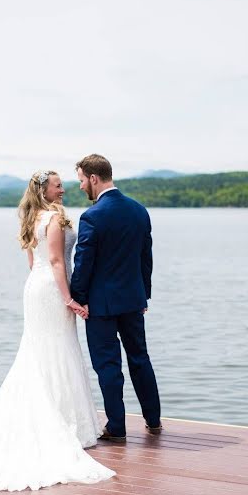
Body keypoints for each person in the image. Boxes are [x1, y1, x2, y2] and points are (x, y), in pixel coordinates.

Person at [0, 170, 115, 491]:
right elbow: (59, 262)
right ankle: (63, 424)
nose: (63, 189)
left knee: (39, 351)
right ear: (44, 190)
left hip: (35, 287)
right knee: (58, 350)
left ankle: (53, 416)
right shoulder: (55, 220)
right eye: (58, 186)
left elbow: (36, 264)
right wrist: (70, 299)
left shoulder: (31, 219)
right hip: (53, 289)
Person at [70, 154, 162, 442]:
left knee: (108, 365)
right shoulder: (139, 210)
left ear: (94, 178)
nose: (82, 186)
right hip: (133, 300)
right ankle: (154, 420)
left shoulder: (92, 217)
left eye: (82, 180)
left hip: (100, 305)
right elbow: (146, 258)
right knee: (140, 358)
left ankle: (117, 428)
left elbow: (83, 263)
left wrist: (79, 298)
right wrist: (143, 295)